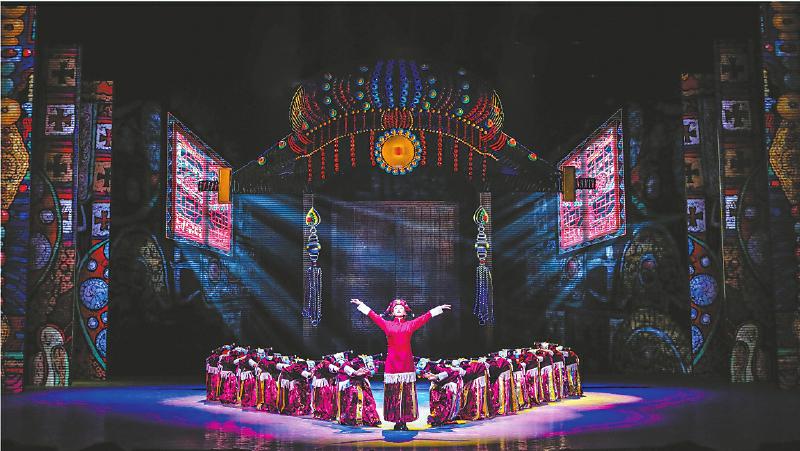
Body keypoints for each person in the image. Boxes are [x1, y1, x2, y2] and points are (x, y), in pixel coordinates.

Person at [350, 298, 451, 431]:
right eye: (396, 308)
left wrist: (438, 309)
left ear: (405, 312)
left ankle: (404, 420)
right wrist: (361, 304)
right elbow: (373, 315)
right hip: (392, 363)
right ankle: (396, 420)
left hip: (406, 363)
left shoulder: (410, 325)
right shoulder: (386, 324)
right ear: (392, 312)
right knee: (393, 394)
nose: (398, 309)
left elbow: (424, 318)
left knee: (406, 394)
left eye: (401, 308)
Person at [337, 353, 382, 427]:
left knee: (368, 401)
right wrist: (356, 372)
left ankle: (371, 419)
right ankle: (354, 419)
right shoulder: (348, 364)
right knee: (354, 401)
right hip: (353, 386)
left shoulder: (366, 362)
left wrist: (375, 366)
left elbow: (371, 372)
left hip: (363, 385)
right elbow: (345, 368)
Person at [311, 355, 340, 421]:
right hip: (325, 384)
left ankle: (322, 413)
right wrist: (340, 369)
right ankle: (326, 413)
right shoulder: (326, 363)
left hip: (325, 383)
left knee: (322, 398)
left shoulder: (321, 365)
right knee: (326, 399)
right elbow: (333, 368)